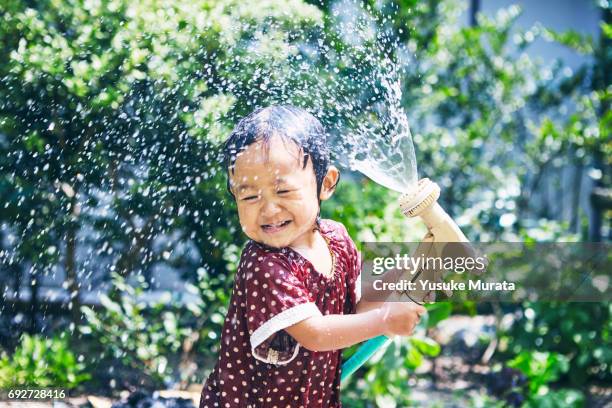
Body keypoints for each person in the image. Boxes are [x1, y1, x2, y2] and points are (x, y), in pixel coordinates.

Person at [200, 105, 426, 408]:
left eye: (284, 191)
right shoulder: (263, 264)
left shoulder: (336, 240)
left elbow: (358, 309)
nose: (268, 209)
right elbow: (315, 334)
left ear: (326, 183)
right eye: (250, 196)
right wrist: (385, 320)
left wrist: (407, 273)